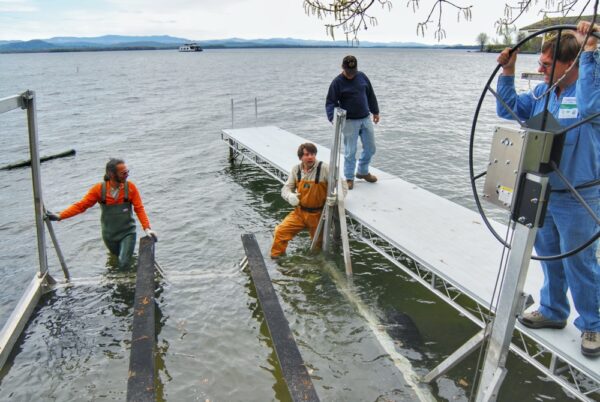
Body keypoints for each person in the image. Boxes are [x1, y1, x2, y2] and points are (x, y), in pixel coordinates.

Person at [495, 21, 600, 357]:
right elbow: (507, 108)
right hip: (545, 191)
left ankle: (593, 326)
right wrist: (508, 72)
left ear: (568, 65)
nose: (538, 69)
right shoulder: (542, 93)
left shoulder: (588, 94)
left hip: (579, 194)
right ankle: (554, 311)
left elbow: (589, 108)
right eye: (539, 63)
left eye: (545, 64)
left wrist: (591, 53)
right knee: (551, 257)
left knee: (579, 261)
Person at [46, 158, 157, 269]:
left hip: (128, 233)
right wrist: (60, 216)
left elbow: (139, 208)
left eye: (127, 172)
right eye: (123, 173)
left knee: (123, 262)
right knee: (117, 260)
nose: (127, 175)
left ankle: (125, 282)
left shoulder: (131, 188)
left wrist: (147, 228)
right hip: (109, 236)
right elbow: (81, 206)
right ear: (111, 174)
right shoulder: (99, 190)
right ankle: (129, 273)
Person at [270, 143, 346, 258]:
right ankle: (276, 258)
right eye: (306, 154)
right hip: (299, 212)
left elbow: (343, 186)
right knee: (280, 232)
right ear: (301, 157)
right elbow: (285, 188)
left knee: (318, 244)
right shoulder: (296, 169)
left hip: (319, 215)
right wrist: (289, 196)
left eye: (313, 154)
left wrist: (336, 199)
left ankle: (315, 265)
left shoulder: (325, 168)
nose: (310, 157)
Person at [326, 55, 380, 190]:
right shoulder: (337, 82)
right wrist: (333, 118)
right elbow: (330, 102)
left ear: (356, 69)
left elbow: (370, 94)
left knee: (371, 147)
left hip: (365, 118)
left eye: (353, 72)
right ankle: (349, 178)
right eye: (348, 72)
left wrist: (376, 111)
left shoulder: (362, 77)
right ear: (342, 68)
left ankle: (362, 171)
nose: (351, 75)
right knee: (350, 151)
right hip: (349, 121)